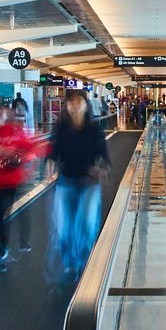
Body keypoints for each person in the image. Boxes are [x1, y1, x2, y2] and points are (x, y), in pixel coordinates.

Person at [47, 89, 109, 285]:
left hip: (89, 184)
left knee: (87, 224)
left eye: (79, 102)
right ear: (67, 106)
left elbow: (104, 157)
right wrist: (49, 166)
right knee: (65, 228)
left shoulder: (94, 130)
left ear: (85, 105)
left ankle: (84, 262)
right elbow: (53, 153)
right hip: (66, 182)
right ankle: (70, 263)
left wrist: (101, 170)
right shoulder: (60, 130)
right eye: (71, 102)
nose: (75, 105)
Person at [0, 102, 44, 269]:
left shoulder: (16, 133)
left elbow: (30, 152)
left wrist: (22, 162)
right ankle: (3, 248)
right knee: (2, 215)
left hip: (12, 180)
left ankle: (16, 242)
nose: (2, 118)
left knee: (7, 213)